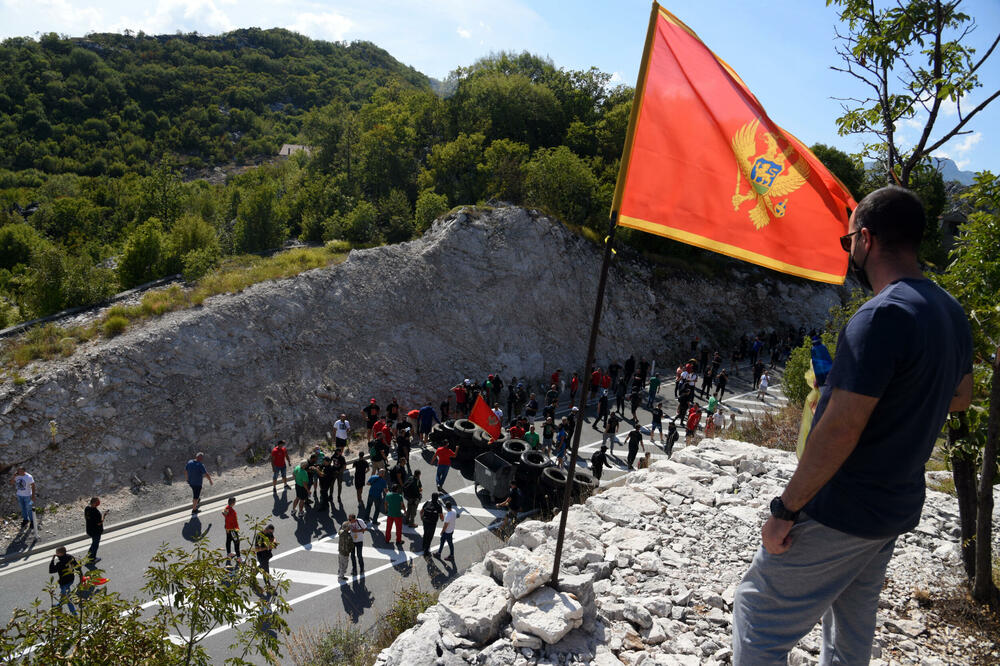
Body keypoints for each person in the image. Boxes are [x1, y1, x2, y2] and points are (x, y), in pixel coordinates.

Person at [732, 186, 974, 665]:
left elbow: (840, 431)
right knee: (849, 627)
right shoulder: (948, 310)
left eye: (848, 245)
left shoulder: (881, 314)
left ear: (865, 239)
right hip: (895, 505)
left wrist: (785, 509)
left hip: (842, 506)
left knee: (757, 615)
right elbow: (961, 398)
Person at [49, 546, 79, 615]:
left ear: (60, 554)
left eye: (57, 553)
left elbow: (51, 570)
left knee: (68, 599)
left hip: (64, 582)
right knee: (64, 595)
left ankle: (75, 614)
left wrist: (52, 560)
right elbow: (77, 566)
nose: (56, 554)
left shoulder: (60, 564)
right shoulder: (70, 557)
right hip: (71, 579)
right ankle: (58, 605)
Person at [84, 497, 104, 563]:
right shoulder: (96, 512)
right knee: (95, 545)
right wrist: (104, 516)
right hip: (96, 531)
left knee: (93, 544)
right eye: (98, 501)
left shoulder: (87, 508)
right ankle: (92, 559)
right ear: (95, 503)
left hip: (89, 529)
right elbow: (99, 523)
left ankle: (89, 556)